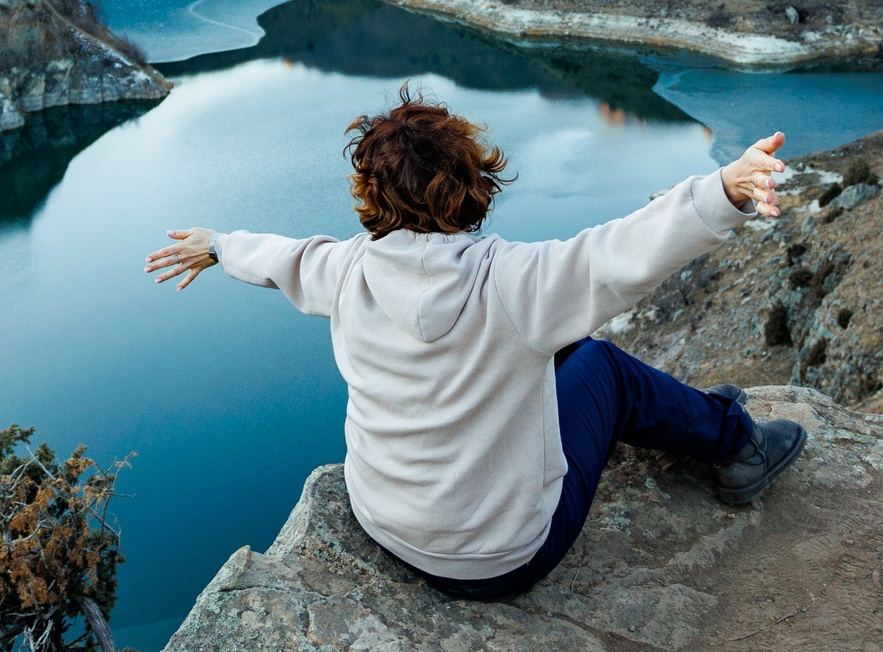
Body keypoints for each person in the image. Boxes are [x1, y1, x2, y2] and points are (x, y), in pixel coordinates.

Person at [144, 90, 806, 601]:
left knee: (565, 353)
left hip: (385, 524)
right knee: (600, 361)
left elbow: (281, 257)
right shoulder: (513, 281)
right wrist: (724, 190)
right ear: (471, 182)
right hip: (501, 558)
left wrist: (217, 245)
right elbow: (619, 254)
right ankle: (734, 444)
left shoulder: (347, 269)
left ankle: (701, 418)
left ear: (370, 195)